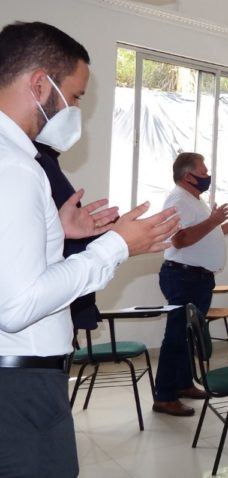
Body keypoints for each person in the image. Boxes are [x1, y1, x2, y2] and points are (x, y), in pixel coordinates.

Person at [0, 21, 179, 477]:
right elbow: (17, 304)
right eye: (75, 96)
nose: (75, 110)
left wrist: (55, 230)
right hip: (19, 384)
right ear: (40, 83)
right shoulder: (16, 166)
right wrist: (116, 245)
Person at [153, 152, 228, 417]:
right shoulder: (178, 199)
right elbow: (180, 240)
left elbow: (203, 235)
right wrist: (214, 221)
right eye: (204, 172)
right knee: (176, 336)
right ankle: (164, 396)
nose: (208, 176)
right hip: (183, 276)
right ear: (188, 176)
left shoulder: (195, 200)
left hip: (197, 277)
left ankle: (184, 384)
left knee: (188, 335)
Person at [35, 141, 102, 334]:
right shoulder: (35, 161)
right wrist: (118, 245)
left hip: (60, 286)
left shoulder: (46, 160)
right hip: (48, 290)